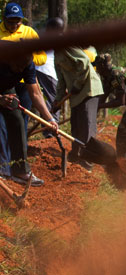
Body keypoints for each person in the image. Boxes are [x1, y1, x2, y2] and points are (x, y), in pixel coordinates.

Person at [0, 2, 47, 176]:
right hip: (4, 82)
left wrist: (26, 63)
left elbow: (42, 57)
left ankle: (18, 165)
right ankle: (3, 167)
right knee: (2, 126)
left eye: (17, 21)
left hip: (23, 83)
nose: (14, 25)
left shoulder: (29, 33)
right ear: (4, 20)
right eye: (10, 22)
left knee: (20, 121)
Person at [0, 47, 58, 186]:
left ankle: (20, 171)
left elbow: (35, 94)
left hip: (5, 88)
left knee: (18, 120)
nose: (20, 70)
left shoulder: (27, 64)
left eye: (23, 67)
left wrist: (49, 118)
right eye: (18, 66)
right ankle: (2, 170)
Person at [52, 18, 103, 172]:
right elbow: (61, 81)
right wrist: (57, 101)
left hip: (88, 89)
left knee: (86, 125)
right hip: (76, 93)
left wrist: (76, 86)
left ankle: (88, 162)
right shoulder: (56, 53)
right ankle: (75, 157)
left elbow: (85, 64)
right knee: (76, 125)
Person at [36, 18, 62, 138]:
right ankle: (52, 132)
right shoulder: (53, 38)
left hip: (37, 70)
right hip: (47, 72)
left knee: (45, 101)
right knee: (53, 102)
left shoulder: (40, 35)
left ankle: (48, 130)